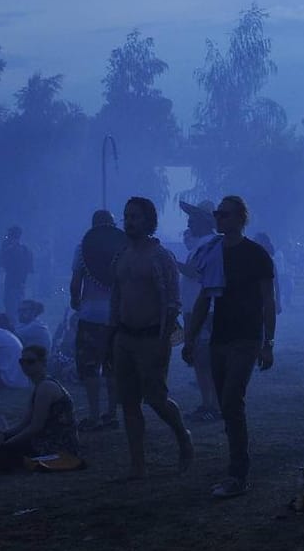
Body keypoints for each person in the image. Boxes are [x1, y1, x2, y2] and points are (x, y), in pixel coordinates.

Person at [181, 196, 276, 499]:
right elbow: (204, 298)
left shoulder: (256, 255)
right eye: (217, 214)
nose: (219, 219)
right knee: (226, 403)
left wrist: (268, 342)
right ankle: (236, 462)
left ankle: (238, 472)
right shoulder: (213, 254)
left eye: (224, 214)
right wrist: (191, 336)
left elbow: (267, 301)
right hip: (221, 336)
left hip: (246, 337)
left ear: (239, 218)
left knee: (232, 400)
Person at [109, 197, 194, 480]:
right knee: (129, 402)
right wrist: (112, 336)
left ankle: (183, 436)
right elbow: (117, 297)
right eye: (126, 216)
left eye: (135, 216)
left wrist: (162, 341)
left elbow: (171, 302)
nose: (129, 221)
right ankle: (138, 465)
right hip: (124, 337)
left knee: (157, 400)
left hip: (150, 338)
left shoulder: (161, 257)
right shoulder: (121, 255)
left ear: (148, 221)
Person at [0, 345, 81, 477]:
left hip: (53, 447)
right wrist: (4, 434)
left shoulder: (46, 387)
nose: (25, 365)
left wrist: (8, 443)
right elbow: (25, 423)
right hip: (42, 441)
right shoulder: (40, 386)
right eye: (22, 361)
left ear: (43, 363)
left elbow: (36, 427)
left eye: (30, 361)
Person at [70, 209, 124, 430]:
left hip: (91, 315)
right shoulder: (123, 248)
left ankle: (94, 414)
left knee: (90, 366)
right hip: (117, 315)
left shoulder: (83, 249)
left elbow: (76, 281)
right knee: (113, 366)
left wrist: (75, 300)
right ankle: (111, 414)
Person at [177, 201, 222, 422]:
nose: (188, 222)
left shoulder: (210, 245)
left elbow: (194, 273)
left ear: (203, 222)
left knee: (205, 360)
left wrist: (170, 261)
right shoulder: (202, 245)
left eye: (192, 218)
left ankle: (211, 405)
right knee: (200, 359)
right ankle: (209, 403)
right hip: (195, 309)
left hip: (205, 311)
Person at [0, 226, 34, 318]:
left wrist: (3, 250)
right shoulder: (26, 249)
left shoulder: (9, 249)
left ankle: (14, 327)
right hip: (22, 282)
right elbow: (30, 269)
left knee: (11, 308)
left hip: (11, 282)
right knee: (19, 307)